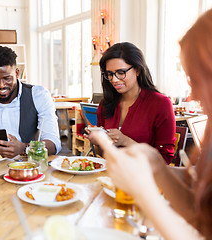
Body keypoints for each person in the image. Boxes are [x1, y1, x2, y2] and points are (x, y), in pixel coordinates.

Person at [91, 9, 212, 240]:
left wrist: (144, 190)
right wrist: (154, 163)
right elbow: (199, 209)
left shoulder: (159, 103)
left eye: (196, 79)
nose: (192, 94)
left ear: (136, 70)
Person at [84, 42, 175, 164]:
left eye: (121, 73)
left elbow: (164, 160)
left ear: (137, 70)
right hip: (113, 176)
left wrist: (126, 141)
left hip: (145, 178)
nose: (114, 80)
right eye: (109, 74)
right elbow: (105, 154)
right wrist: (99, 142)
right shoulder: (106, 104)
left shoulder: (160, 104)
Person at [0, 46, 61, 158]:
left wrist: (24, 148)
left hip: (27, 166)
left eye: (7, 78)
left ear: (17, 73)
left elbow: (54, 144)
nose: (1, 85)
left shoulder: (38, 95)